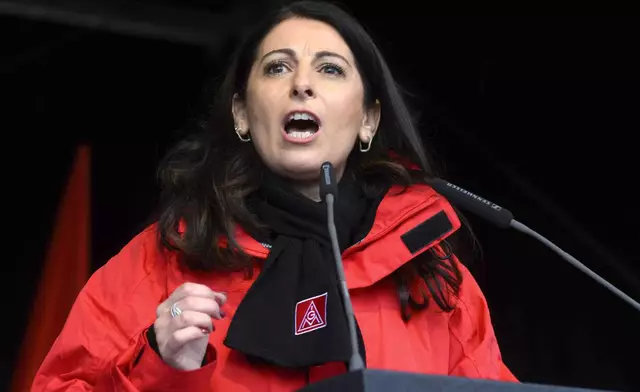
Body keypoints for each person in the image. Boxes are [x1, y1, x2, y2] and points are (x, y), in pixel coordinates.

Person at [32, 1, 517, 390]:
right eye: (278, 68)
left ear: (368, 119)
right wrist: (157, 365)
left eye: (329, 70)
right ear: (241, 113)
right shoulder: (159, 265)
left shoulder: (438, 283)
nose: (301, 84)